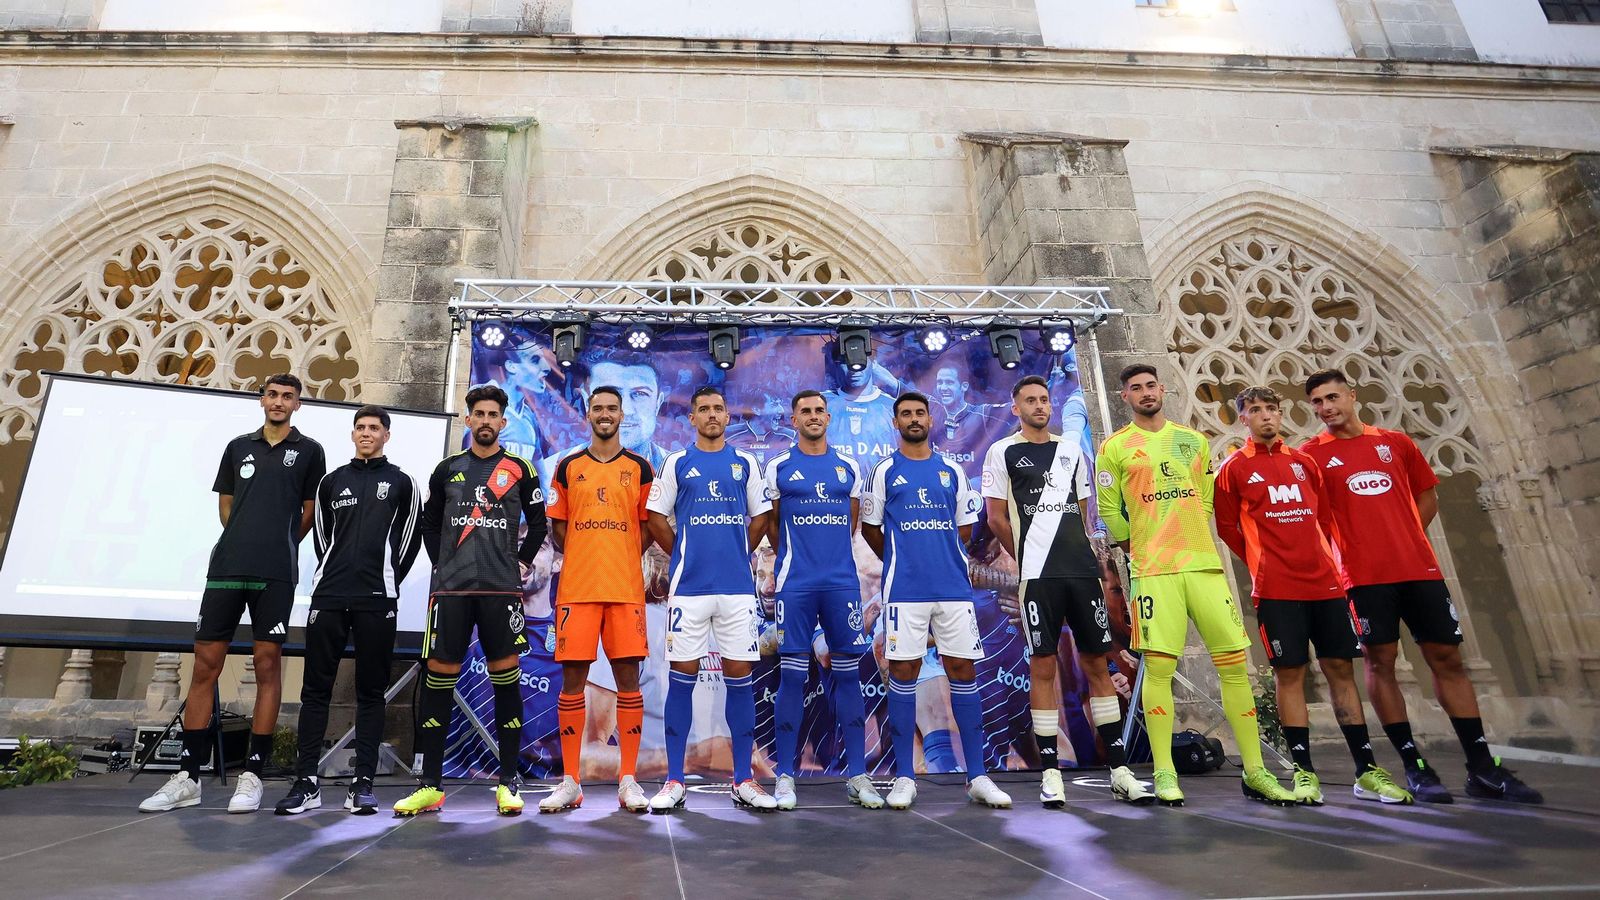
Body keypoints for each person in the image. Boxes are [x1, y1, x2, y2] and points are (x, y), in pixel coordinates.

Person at [1299, 370, 1541, 804]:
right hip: (1363, 578)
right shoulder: (1311, 456)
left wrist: (1407, 535)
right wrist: (1344, 552)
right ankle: (1414, 767)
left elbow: (1427, 495)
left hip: (1420, 572)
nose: (1326, 407)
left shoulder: (1396, 443)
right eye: (1316, 402)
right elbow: (1311, 518)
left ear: (1352, 396)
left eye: (1332, 397)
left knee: (1447, 658)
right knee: (1382, 662)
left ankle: (1482, 768)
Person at [1095, 364, 1295, 807]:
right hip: (1154, 572)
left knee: (1232, 665)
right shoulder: (1114, 448)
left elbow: (1206, 496)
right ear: (1123, 396)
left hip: (1202, 567)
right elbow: (1109, 509)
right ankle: (1165, 773)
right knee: (1160, 670)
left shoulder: (1193, 441)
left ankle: (1256, 772)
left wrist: (1186, 532)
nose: (1145, 393)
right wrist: (1141, 545)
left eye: (1151, 386)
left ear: (1161, 390)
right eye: (1136, 389)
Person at [1214, 387, 1413, 806]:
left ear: (1281, 413)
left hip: (1325, 585)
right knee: (1290, 675)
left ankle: (1367, 771)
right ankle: (1304, 773)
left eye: (1271, 409)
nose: (1265, 416)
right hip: (1277, 590)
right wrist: (1261, 564)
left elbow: (1322, 517)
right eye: (1255, 410)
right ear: (1242, 420)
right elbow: (1229, 528)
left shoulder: (1305, 462)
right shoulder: (1233, 469)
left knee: (1341, 670)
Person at [139, 373, 326, 814]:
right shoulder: (238, 446)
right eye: (272, 394)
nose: (278, 402)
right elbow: (226, 504)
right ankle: (187, 777)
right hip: (226, 568)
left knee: (266, 664)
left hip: (276, 573)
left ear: (298, 404)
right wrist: (242, 537)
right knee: (205, 664)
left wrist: (277, 543)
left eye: (287, 397)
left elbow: (309, 512)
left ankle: (253, 775)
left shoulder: (310, 451)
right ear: (262, 399)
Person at [982, 375, 1154, 809]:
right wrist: (1027, 555)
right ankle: (1051, 772)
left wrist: (1089, 563)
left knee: (1097, 663)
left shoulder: (1070, 451)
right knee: (1043, 666)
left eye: (1044, 400)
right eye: (1031, 401)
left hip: (1081, 573)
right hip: (1037, 576)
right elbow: (996, 517)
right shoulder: (1001, 452)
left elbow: (1081, 512)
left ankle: (1119, 768)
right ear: (1014, 407)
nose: (1040, 407)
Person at [394, 384, 548, 817]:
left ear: (503, 422)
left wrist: (517, 562)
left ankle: (507, 782)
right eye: (477, 414)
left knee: (506, 680)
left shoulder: (521, 469)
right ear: (468, 420)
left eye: (492, 415)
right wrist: (444, 565)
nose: (484, 421)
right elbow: (429, 523)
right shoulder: (447, 469)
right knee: (439, 677)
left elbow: (538, 526)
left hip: (501, 591)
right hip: (452, 592)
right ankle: (430, 786)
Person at [862, 391, 1012, 811]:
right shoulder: (884, 472)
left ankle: (978, 775)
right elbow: (873, 530)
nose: (913, 419)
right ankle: (905, 778)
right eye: (906, 414)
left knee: (962, 672)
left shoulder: (951, 470)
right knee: (904, 673)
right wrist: (903, 558)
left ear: (930, 419)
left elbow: (965, 530)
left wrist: (938, 554)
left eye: (919, 413)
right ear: (896, 423)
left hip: (952, 590)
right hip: (904, 591)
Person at [275, 405, 424, 816]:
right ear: (352, 434)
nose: (366, 433)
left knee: (371, 692)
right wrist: (334, 575)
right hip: (328, 598)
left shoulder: (402, 482)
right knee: (315, 691)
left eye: (374, 428)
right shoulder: (330, 481)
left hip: (377, 599)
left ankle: (362, 785)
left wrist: (385, 579)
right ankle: (306, 782)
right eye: (360, 427)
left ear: (386, 435)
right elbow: (322, 538)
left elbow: (409, 544)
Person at [645, 385, 776, 812]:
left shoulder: (745, 463)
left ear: (726, 416)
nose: (713, 415)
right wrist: (681, 549)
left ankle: (743, 779)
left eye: (719, 409)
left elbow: (761, 516)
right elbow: (654, 517)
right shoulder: (678, 463)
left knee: (739, 679)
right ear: (692, 419)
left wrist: (740, 549)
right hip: (690, 591)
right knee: (681, 679)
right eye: (704, 409)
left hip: (738, 590)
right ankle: (674, 780)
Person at [761, 389, 882, 810]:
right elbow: (773, 529)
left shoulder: (848, 466)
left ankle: (858, 777)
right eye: (805, 412)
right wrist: (800, 557)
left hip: (841, 585)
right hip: (795, 584)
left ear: (828, 418)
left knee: (848, 676)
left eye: (819, 411)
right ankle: (785, 778)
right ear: (793, 420)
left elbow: (851, 526)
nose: (813, 417)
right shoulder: (778, 466)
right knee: (792, 678)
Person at [539, 385, 655, 814]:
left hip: (624, 591)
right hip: (578, 591)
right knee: (574, 683)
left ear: (622, 415)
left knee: (628, 681)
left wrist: (620, 555)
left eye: (612, 408)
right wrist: (591, 556)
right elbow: (558, 531)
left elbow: (646, 529)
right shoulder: (568, 466)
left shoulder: (641, 468)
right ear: (587, 414)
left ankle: (628, 780)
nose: (605, 414)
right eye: (597, 408)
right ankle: (571, 781)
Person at [821, 350, 898, 475]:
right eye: (846, 362)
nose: (854, 369)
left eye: (860, 361)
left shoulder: (892, 406)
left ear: (873, 363)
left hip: (880, 492)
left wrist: (894, 384)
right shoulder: (821, 403)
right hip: (836, 491)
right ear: (837, 365)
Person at [932, 363, 1011, 466]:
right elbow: (905, 390)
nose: (943, 388)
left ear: (964, 386)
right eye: (939, 382)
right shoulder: (930, 408)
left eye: (949, 382)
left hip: (971, 480)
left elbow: (1015, 407)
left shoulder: (981, 414)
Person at [727, 390, 797, 469]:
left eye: (780, 405)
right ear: (756, 410)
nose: (781, 410)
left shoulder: (790, 436)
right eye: (774, 405)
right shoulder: (729, 435)